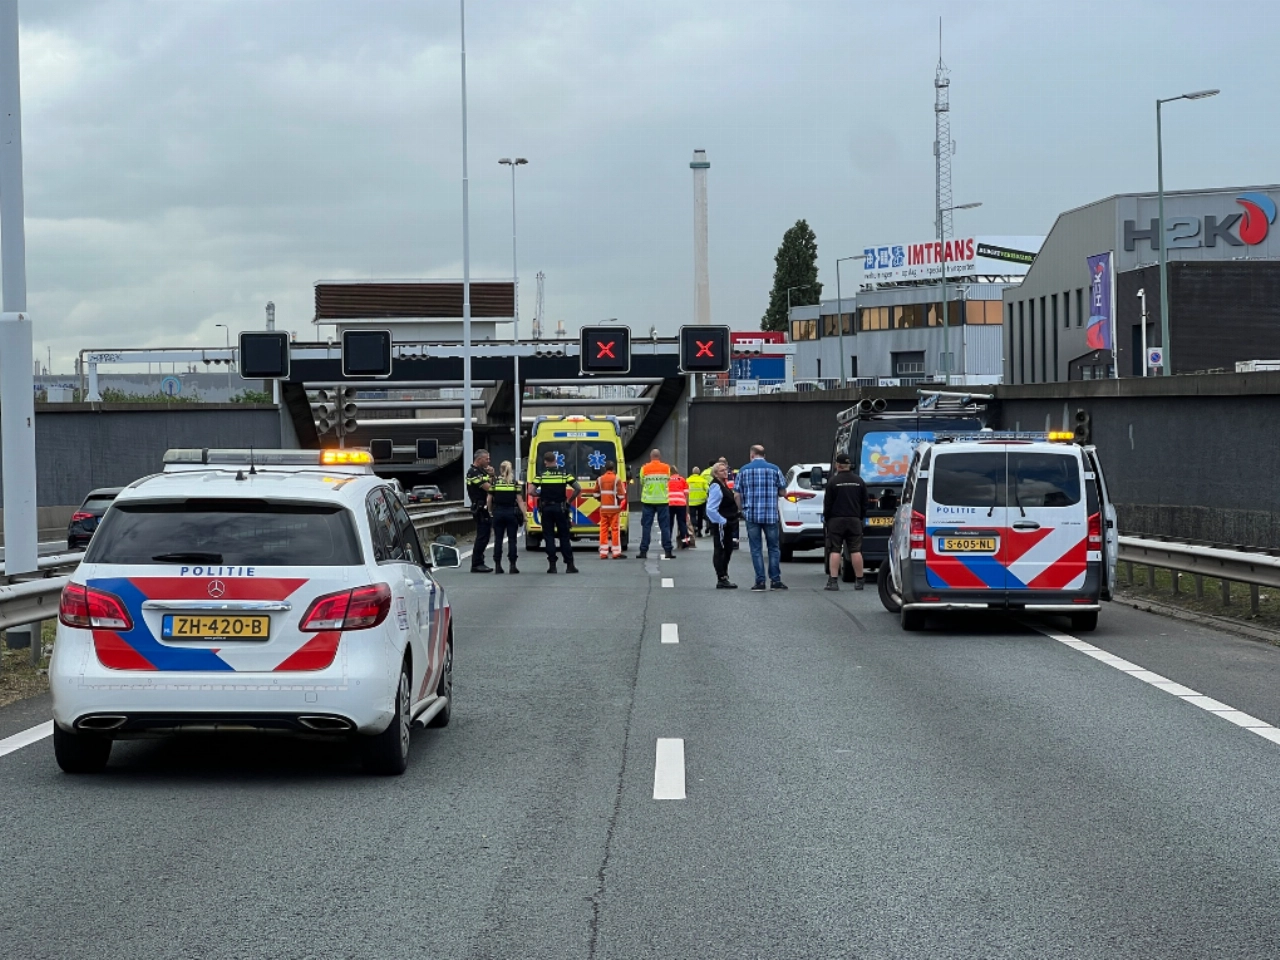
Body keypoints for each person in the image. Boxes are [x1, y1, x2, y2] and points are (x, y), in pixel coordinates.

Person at [735, 444, 788, 591]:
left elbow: (737, 494)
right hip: (770, 515)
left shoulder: (743, 470)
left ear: (752, 455)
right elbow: (783, 492)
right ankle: (776, 580)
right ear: (764, 455)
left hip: (751, 515)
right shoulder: (774, 469)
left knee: (756, 549)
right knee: (773, 548)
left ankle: (760, 581)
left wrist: (742, 510)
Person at [822, 452, 868, 591]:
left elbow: (827, 504)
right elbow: (864, 503)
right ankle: (859, 580)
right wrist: (859, 517)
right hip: (854, 520)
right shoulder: (859, 481)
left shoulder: (833, 482)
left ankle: (833, 581)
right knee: (855, 550)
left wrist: (827, 519)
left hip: (836, 521)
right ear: (849, 465)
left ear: (837, 465)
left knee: (835, 550)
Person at [534, 450, 580, 574]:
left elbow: (531, 491)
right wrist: (569, 500)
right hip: (561, 508)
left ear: (545, 462)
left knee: (549, 537)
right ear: (555, 460)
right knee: (564, 537)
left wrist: (540, 494)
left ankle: (552, 565)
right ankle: (570, 565)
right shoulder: (564, 473)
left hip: (546, 508)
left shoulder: (541, 475)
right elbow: (577, 488)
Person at [487, 460, 526, 575]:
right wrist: (524, 515)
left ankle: (498, 565)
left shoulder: (495, 483)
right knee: (512, 540)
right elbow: (520, 501)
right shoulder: (515, 483)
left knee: (498, 539)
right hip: (511, 513)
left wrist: (490, 511)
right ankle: (512, 566)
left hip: (498, 512)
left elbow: (489, 499)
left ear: (500, 469)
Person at [704, 461, 739, 588]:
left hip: (728, 522)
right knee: (722, 549)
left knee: (728, 549)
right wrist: (722, 521)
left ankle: (724, 575)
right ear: (715, 473)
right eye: (722, 471)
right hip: (721, 523)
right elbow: (711, 509)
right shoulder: (716, 486)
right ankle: (721, 577)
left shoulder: (724, 485)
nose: (725, 472)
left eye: (726, 470)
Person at [636, 448, 675, 560]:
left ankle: (643, 551)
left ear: (651, 457)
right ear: (660, 456)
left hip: (648, 501)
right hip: (662, 501)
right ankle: (668, 550)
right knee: (665, 526)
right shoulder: (666, 468)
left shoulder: (644, 468)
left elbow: (642, 482)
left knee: (646, 526)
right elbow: (668, 481)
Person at [465, 448, 495, 573]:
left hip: (484, 507)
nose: (489, 461)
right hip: (480, 507)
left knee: (485, 535)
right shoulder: (473, 473)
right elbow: (489, 488)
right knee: (482, 536)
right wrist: (491, 478)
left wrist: (491, 475)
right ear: (479, 459)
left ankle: (479, 561)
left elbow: (491, 484)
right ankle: (477, 563)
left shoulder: (481, 472)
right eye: (486, 459)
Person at [597, 459, 625, 559]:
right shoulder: (617, 479)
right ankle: (616, 552)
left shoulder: (600, 479)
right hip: (614, 510)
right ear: (613, 469)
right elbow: (622, 496)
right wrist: (617, 501)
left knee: (603, 530)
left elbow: (596, 494)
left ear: (605, 468)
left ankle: (603, 552)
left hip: (604, 509)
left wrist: (602, 500)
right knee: (615, 530)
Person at [668, 469, 691, 548]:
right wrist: (687, 508)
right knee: (682, 522)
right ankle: (685, 541)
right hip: (681, 503)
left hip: (669, 503)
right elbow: (686, 494)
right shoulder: (682, 479)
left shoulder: (667, 480)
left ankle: (668, 541)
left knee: (669, 523)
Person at [687, 466, 709, 537]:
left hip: (691, 501)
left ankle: (694, 526)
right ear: (699, 472)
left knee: (692, 515)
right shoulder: (702, 480)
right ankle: (699, 529)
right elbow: (708, 489)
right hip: (701, 501)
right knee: (700, 516)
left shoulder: (688, 480)